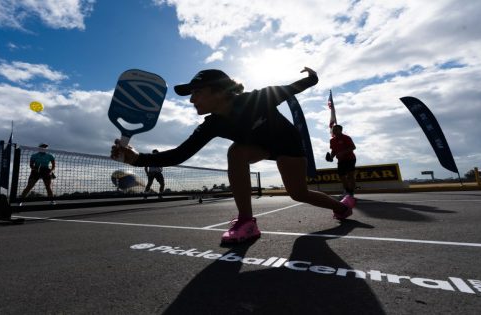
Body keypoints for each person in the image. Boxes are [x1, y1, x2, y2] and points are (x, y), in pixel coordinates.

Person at [111, 67, 356, 244]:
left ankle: (341, 206)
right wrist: (138, 159)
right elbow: (179, 154)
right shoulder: (212, 124)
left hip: (288, 145)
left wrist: (312, 77)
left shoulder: (256, 99)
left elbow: (293, 88)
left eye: (196, 92)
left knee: (298, 193)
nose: (191, 99)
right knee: (236, 151)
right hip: (258, 147)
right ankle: (247, 222)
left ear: (218, 91)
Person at [328, 125, 357, 197]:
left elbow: (353, 147)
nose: (334, 131)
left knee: (350, 176)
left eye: (336, 129)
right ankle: (347, 191)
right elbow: (333, 151)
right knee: (342, 176)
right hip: (341, 161)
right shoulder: (332, 140)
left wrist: (342, 153)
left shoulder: (346, 138)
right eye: (333, 130)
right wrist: (331, 157)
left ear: (341, 130)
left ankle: (351, 192)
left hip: (350, 159)